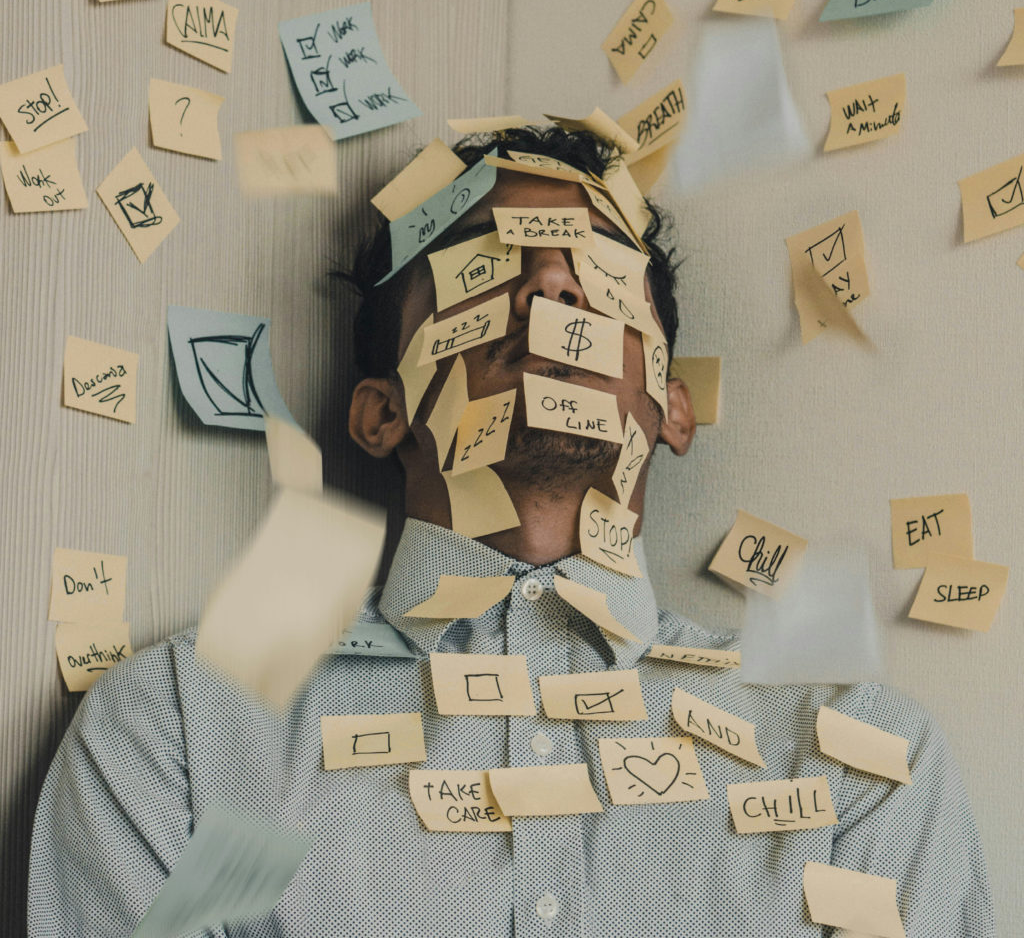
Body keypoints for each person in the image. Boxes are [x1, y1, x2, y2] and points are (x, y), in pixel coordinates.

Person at [29, 126, 994, 937]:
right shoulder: (180, 732)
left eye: (600, 276)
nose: (549, 288)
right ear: (381, 413)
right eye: (487, 262)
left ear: (670, 406)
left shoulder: (860, 764)